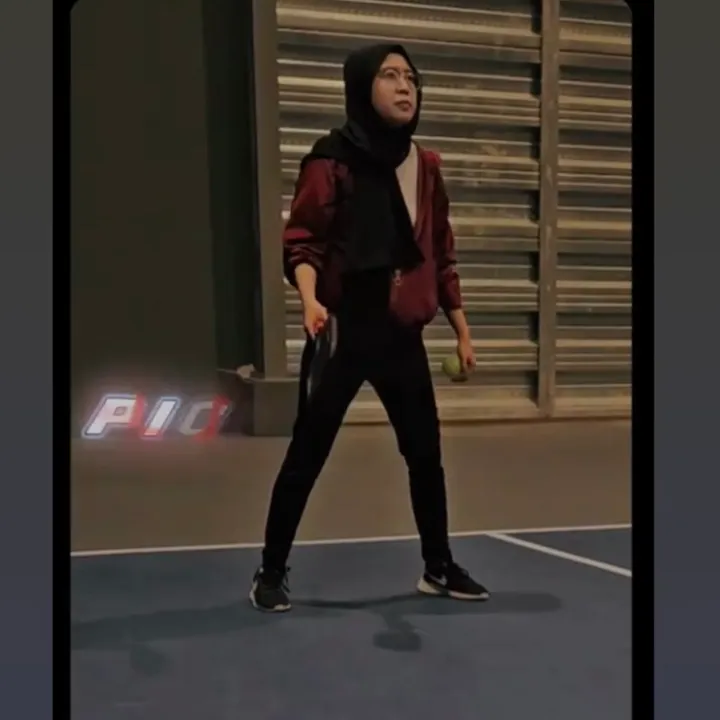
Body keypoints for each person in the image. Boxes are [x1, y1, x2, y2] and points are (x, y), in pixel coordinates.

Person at [250, 43, 489, 612]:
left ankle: (438, 566)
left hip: (401, 336)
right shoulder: (329, 161)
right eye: (389, 75)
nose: (405, 86)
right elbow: (303, 242)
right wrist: (310, 300)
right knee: (307, 453)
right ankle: (271, 571)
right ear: (362, 87)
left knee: (425, 455)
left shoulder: (425, 167)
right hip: (342, 330)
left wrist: (462, 329)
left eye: (411, 77)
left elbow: (441, 253)